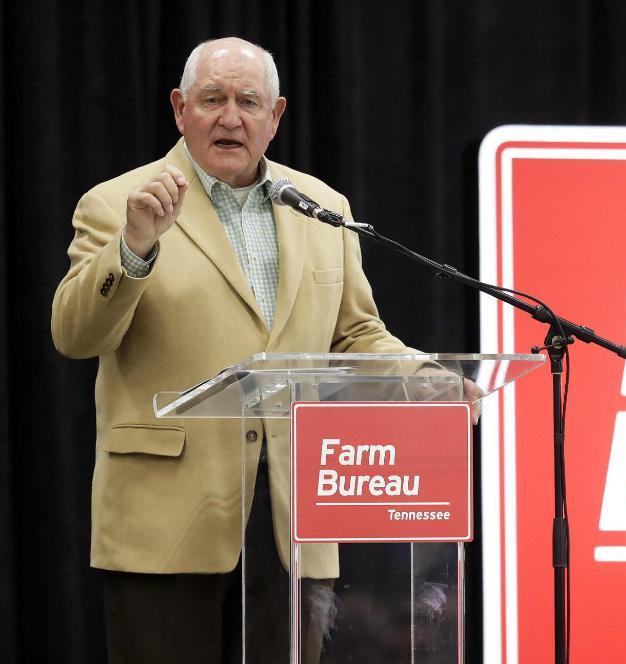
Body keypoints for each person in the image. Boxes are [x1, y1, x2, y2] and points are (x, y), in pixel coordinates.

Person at [51, 36, 473, 663]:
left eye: (249, 102)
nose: (230, 117)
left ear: (275, 116)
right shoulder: (120, 203)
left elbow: (355, 334)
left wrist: (421, 376)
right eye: (212, 99)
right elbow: (76, 335)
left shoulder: (323, 208)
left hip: (290, 521)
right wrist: (135, 248)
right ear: (179, 108)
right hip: (167, 519)